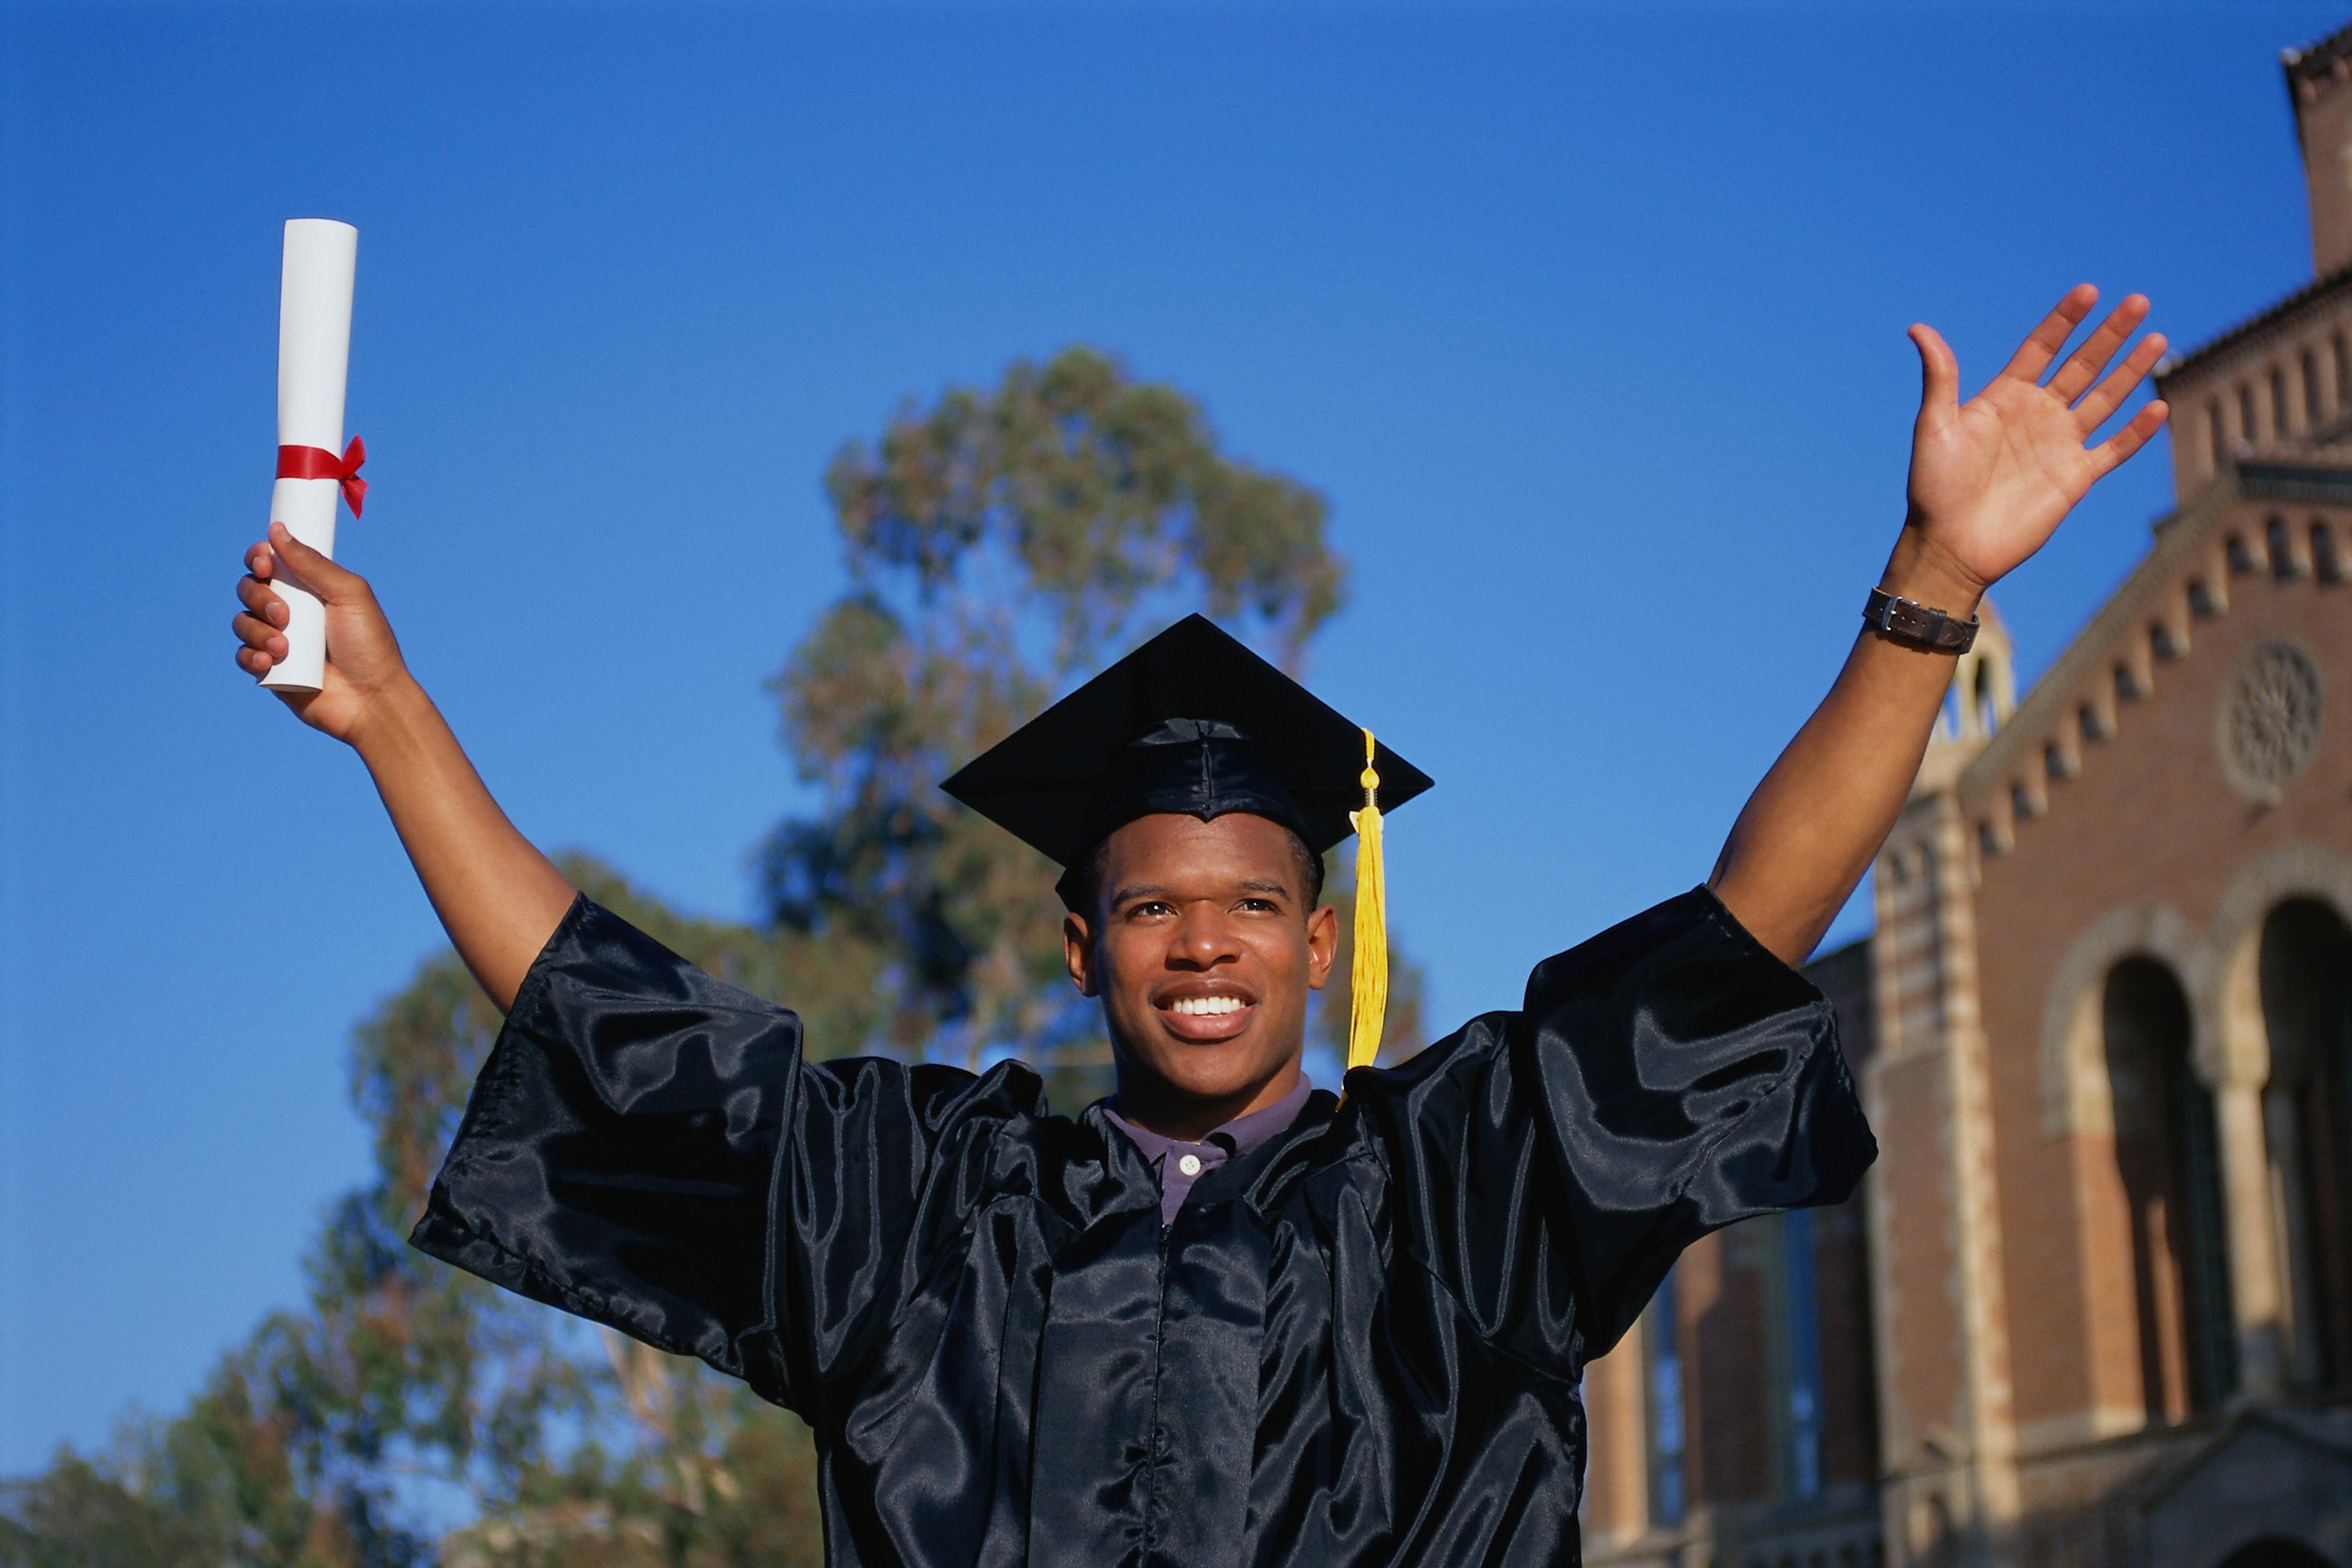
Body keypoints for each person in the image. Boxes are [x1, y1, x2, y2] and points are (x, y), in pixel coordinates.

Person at [228, 286, 2168, 1566]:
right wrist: (394, 715)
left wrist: (1928, 579)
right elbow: (622, 1030)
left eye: (1254, 901)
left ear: (1321, 943)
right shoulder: (925, 1206)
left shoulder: (1452, 1188)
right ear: (1081, 945)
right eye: (1152, 904)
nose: (1206, 941)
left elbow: (1740, 934)